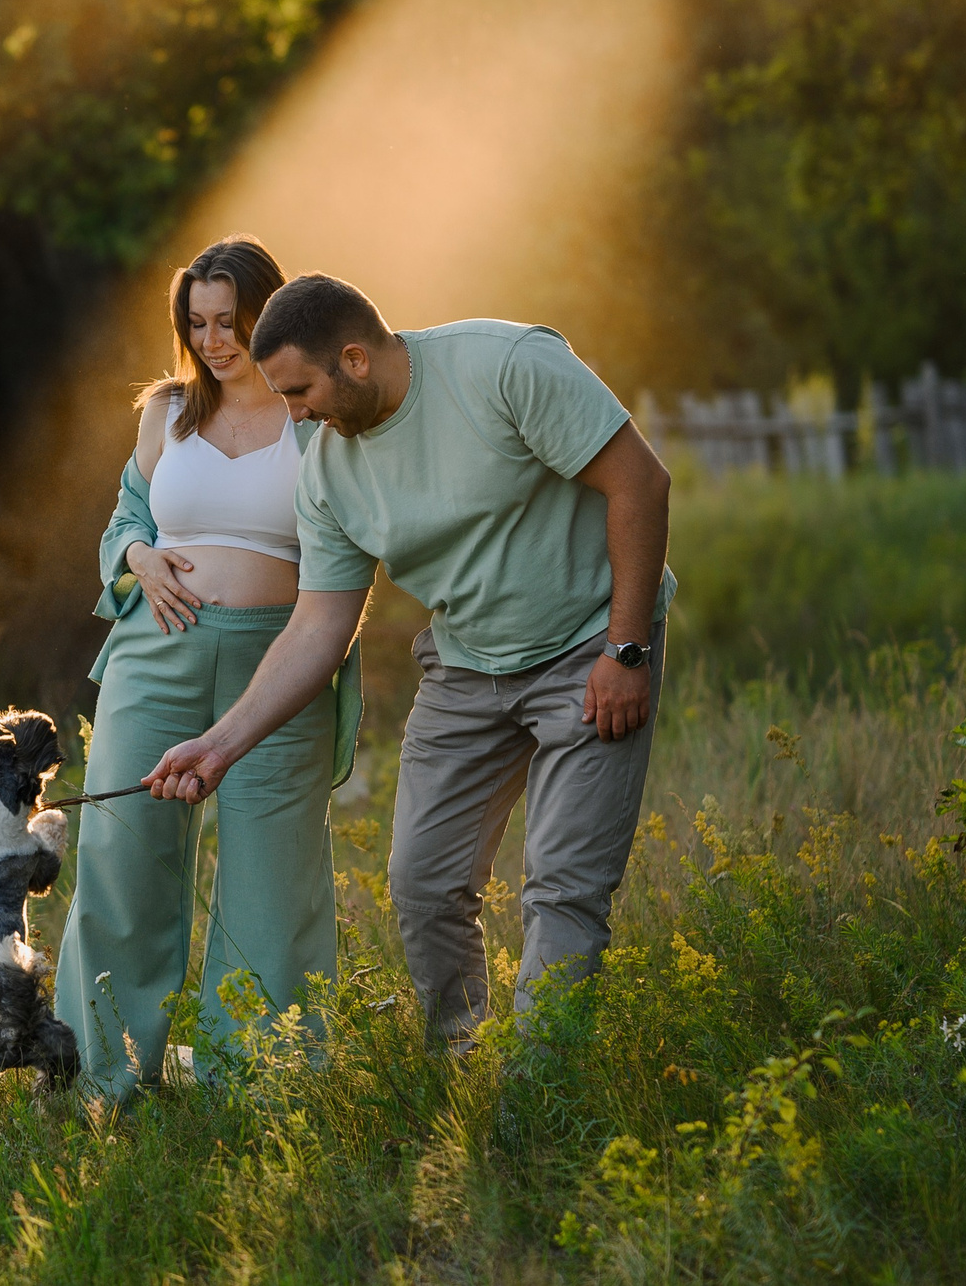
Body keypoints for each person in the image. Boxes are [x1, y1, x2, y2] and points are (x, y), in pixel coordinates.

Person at [143, 274, 674, 1049]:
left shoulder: (504, 365)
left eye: (300, 392)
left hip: (588, 647)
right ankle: (456, 1067)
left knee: (562, 888)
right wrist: (219, 746)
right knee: (424, 884)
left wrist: (625, 649)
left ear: (354, 359)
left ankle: (539, 1097)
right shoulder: (328, 469)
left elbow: (641, 481)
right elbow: (320, 625)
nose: (293, 415)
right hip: (466, 666)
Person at [54, 236, 361, 1105]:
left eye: (233, 321)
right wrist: (140, 556)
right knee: (125, 856)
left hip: (282, 660)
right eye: (199, 323)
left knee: (275, 872)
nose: (216, 341)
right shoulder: (167, 413)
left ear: (271, 316)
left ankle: (264, 1083)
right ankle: (102, 1077)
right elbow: (124, 524)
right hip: (157, 652)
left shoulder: (315, 414)